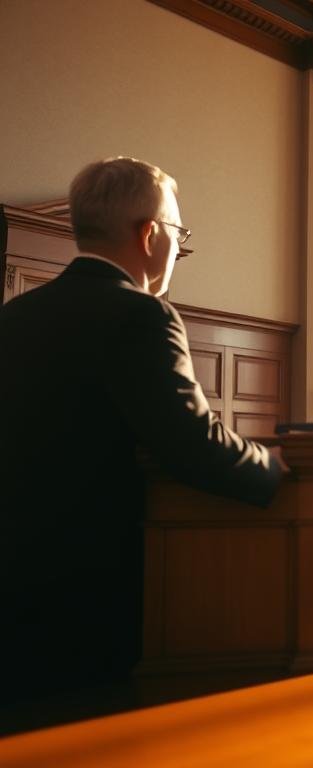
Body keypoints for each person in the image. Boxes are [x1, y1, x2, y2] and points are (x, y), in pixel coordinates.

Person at [0, 157, 284, 707]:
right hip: (89, 589)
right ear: (150, 234)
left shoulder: (16, 316)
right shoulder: (141, 314)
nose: (178, 247)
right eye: (179, 233)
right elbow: (190, 442)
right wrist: (275, 471)